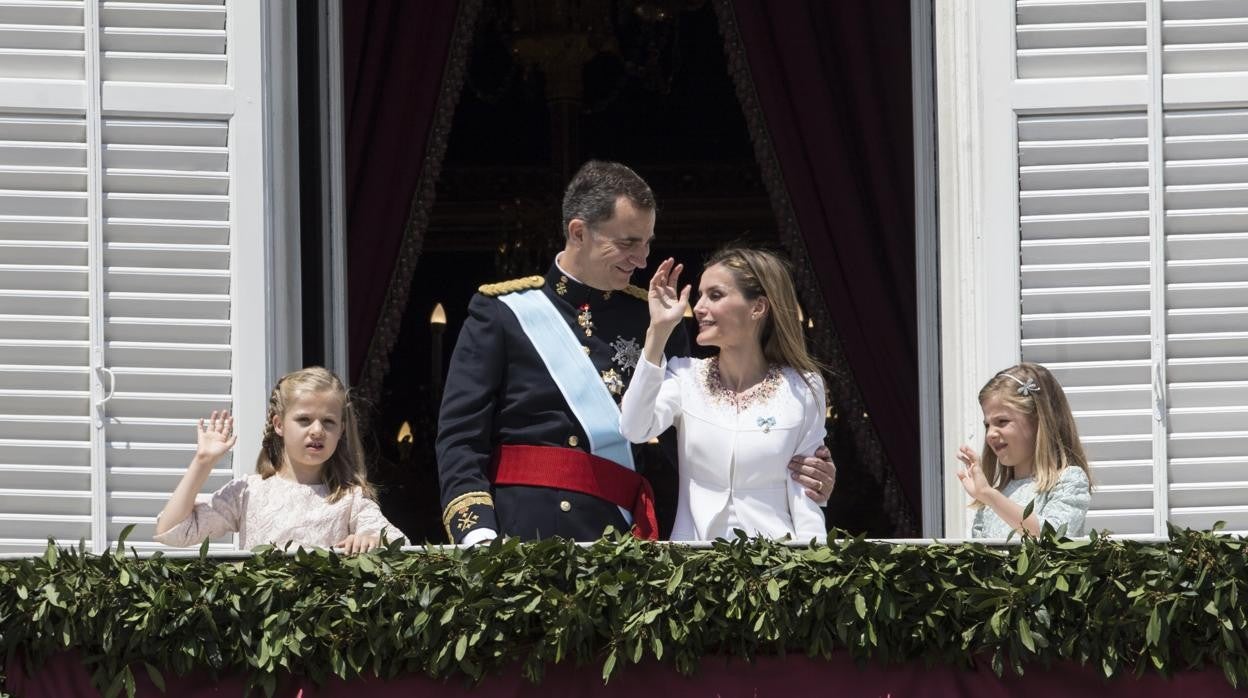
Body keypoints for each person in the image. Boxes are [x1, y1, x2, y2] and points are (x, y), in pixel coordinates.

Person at [436, 160, 837, 545]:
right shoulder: (503, 311)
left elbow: (695, 442)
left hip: (617, 537)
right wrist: (477, 534)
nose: (643, 259)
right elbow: (461, 438)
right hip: (518, 530)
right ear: (579, 232)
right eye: (628, 243)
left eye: (647, 243)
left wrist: (795, 473)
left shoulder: (656, 319)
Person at [619, 248, 827, 541]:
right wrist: (658, 332)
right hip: (694, 566)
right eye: (700, 295)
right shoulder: (684, 376)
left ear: (758, 308)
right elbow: (634, 428)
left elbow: (806, 491)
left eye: (714, 296)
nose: (699, 307)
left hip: (777, 565)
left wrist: (817, 565)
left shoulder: (803, 386)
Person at [154, 367, 394, 553]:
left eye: (328, 422)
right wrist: (202, 462)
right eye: (304, 420)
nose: (317, 430)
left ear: (341, 430)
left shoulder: (350, 499)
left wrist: (371, 540)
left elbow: (398, 544)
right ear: (279, 424)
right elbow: (173, 532)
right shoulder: (248, 492)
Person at [955, 362, 1092, 537]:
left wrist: (989, 496)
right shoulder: (994, 496)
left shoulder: (1068, 481)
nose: (990, 434)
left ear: (1038, 420)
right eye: (987, 425)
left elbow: (1052, 538)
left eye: (1002, 422)